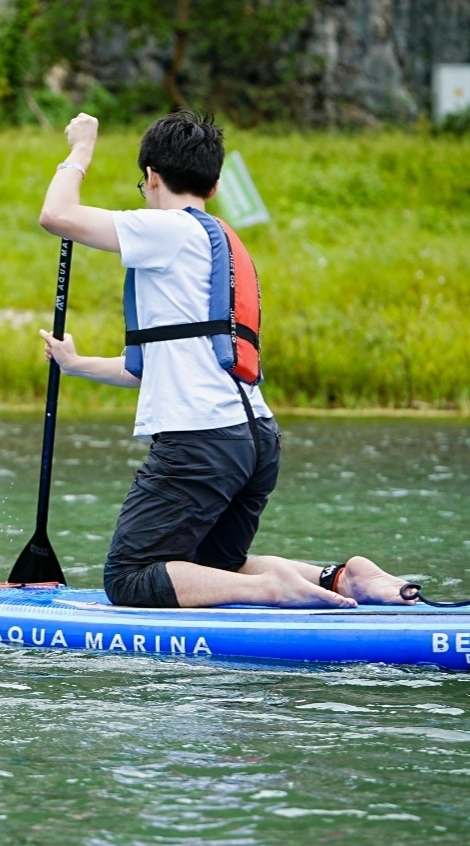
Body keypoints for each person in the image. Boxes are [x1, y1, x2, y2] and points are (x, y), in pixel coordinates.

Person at [37, 111, 414, 609]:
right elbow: (142, 368)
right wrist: (77, 362)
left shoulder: (168, 229)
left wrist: (80, 149)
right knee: (210, 570)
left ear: (151, 177)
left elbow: (56, 216)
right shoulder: (220, 245)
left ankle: (270, 588)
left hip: (202, 439)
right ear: (214, 186)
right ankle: (339, 577)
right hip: (255, 438)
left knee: (129, 578)